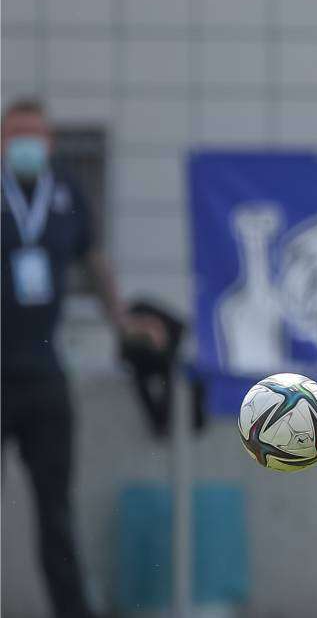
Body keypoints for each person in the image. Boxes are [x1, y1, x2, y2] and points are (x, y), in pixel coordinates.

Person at [0, 98, 158, 618]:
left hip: (45, 377)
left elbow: (94, 259)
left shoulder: (65, 190)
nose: (25, 145)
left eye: (35, 136)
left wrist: (121, 319)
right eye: (15, 135)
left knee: (56, 513)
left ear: (48, 143)